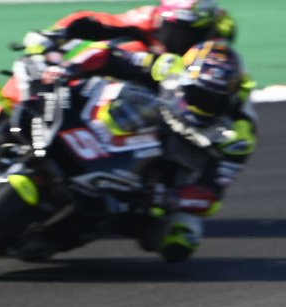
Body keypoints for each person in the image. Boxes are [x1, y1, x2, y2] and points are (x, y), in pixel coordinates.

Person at [25, 35, 256, 262]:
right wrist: (72, 67)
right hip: (142, 117)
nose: (200, 103)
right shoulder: (169, 66)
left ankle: (55, 238)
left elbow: (212, 195)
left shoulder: (237, 135)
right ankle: (7, 124)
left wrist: (171, 197)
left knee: (180, 236)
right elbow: (109, 54)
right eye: (196, 93)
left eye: (211, 100)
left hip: (173, 163)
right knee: (44, 87)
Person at [24, 0, 237, 57]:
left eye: (189, 28)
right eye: (175, 25)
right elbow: (98, 20)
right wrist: (57, 32)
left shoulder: (219, 34)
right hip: (133, 80)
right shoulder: (151, 17)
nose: (179, 34)